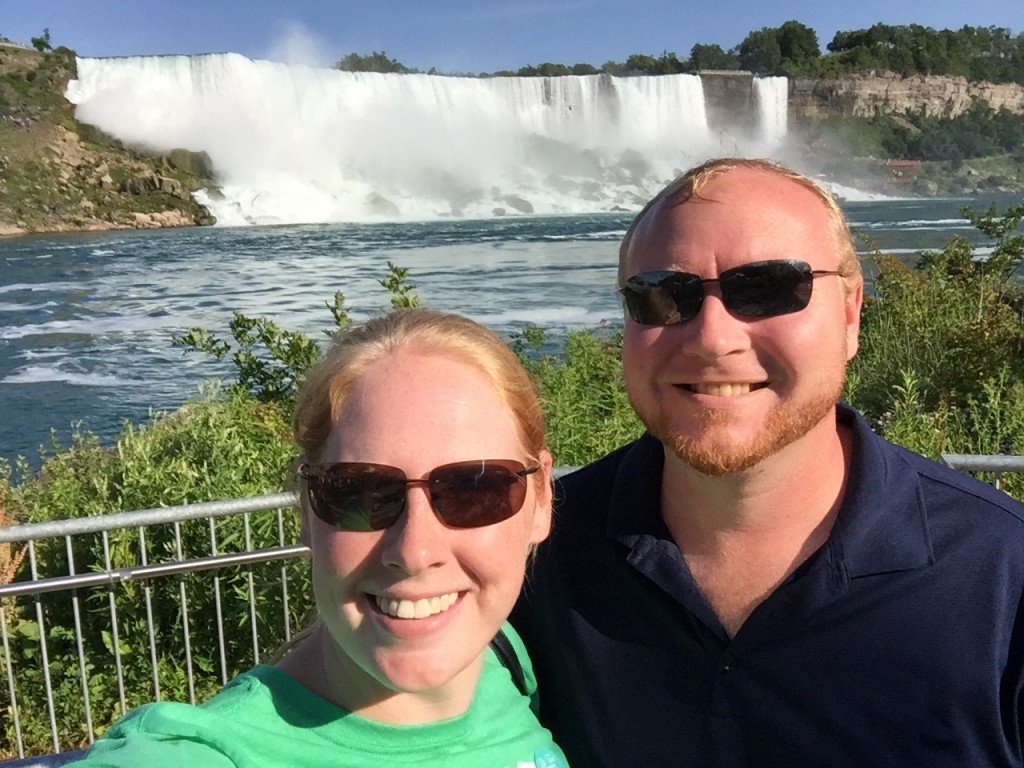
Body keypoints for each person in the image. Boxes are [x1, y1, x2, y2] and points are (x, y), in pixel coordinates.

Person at [513, 158, 1024, 767]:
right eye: (662, 295)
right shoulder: (528, 558)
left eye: (766, 289)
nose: (712, 337)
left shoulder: (1004, 580)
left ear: (851, 312)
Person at [77, 308, 569, 768]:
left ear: (542, 498)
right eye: (359, 492)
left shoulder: (500, 659)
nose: (415, 552)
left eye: (473, 489)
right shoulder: (202, 754)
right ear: (307, 512)